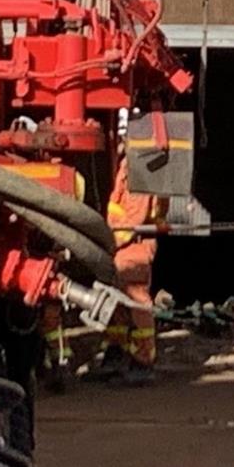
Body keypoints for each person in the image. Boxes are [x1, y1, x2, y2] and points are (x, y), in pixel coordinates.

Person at [84, 158, 166, 387]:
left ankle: (143, 361)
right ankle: (116, 353)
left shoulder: (143, 163)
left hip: (133, 244)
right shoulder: (131, 161)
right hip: (122, 246)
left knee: (137, 301)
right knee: (117, 302)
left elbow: (135, 215)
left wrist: (112, 241)